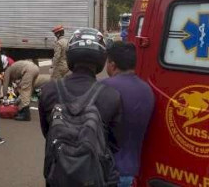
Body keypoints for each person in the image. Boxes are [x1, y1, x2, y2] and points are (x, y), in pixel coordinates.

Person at [39, 28, 122, 185]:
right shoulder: (111, 96)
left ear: (71, 55)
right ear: (102, 59)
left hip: (57, 175)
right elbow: (114, 144)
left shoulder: (49, 90)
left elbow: (47, 132)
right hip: (94, 177)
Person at [102, 42, 154, 187]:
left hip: (106, 170)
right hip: (130, 171)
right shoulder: (147, 91)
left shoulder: (104, 87)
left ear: (112, 65)